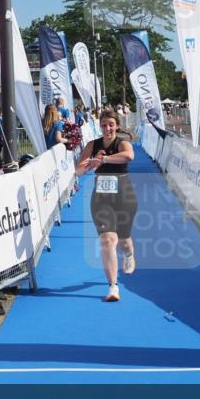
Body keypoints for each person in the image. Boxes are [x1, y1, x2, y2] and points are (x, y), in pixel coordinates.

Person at [74, 109, 138, 302]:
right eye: (103, 125)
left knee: (124, 240)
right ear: (99, 126)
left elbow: (129, 156)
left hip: (124, 196)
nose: (107, 128)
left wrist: (105, 159)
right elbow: (78, 171)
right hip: (101, 198)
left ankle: (129, 254)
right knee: (108, 240)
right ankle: (113, 287)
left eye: (111, 124)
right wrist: (90, 164)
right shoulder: (92, 145)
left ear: (116, 125)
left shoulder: (122, 143)